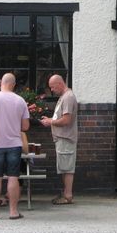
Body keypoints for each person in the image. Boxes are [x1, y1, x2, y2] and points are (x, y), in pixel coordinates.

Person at [0, 73, 30, 219]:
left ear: (1, 81)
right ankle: (13, 212)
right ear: (14, 85)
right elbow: (25, 126)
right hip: (14, 144)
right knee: (13, 177)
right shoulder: (20, 101)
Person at [41, 74, 78, 205]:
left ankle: (68, 195)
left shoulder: (68, 97)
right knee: (64, 167)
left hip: (66, 138)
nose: (51, 90)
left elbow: (66, 120)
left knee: (67, 168)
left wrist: (51, 121)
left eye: (52, 87)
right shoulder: (65, 96)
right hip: (63, 138)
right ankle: (66, 193)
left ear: (59, 83)